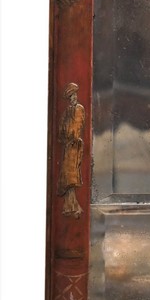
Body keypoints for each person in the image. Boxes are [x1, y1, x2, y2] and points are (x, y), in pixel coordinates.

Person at [57, 82, 85, 217]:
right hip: (68, 147)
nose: (73, 98)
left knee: (73, 176)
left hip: (75, 146)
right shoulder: (67, 111)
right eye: (71, 96)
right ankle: (70, 205)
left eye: (74, 95)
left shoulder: (79, 109)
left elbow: (78, 126)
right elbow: (61, 129)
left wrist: (73, 137)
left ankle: (72, 206)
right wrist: (65, 138)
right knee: (67, 176)